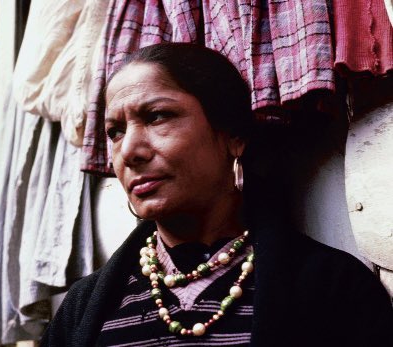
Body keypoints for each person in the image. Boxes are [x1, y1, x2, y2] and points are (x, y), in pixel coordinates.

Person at [40, 43, 393, 346]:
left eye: (158, 116)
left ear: (233, 136)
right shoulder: (82, 311)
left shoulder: (331, 290)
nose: (129, 151)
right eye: (115, 131)